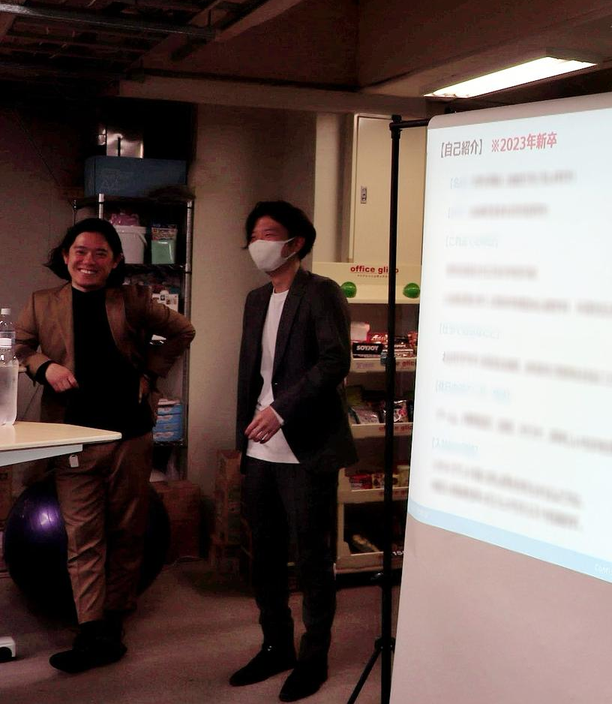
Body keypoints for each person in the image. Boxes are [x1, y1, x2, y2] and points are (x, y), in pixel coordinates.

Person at [13, 218, 195, 673]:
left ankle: (113, 623)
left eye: (100, 253)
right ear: (65, 256)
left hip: (130, 434)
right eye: (80, 250)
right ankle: (90, 630)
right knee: (83, 538)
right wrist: (45, 367)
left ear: (115, 261)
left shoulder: (132, 300)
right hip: (74, 436)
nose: (88, 260)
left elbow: (183, 331)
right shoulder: (41, 302)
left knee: (127, 532)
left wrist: (150, 371)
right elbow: (21, 347)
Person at [229, 201, 357, 702]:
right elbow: (254, 373)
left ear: (295, 242)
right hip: (259, 448)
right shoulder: (255, 299)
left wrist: (280, 410)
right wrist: (247, 430)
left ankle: (313, 658)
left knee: (311, 558)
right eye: (253, 235)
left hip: (305, 447)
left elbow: (334, 361)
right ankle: (275, 645)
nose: (257, 244)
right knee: (264, 555)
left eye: (267, 234)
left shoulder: (321, 292)